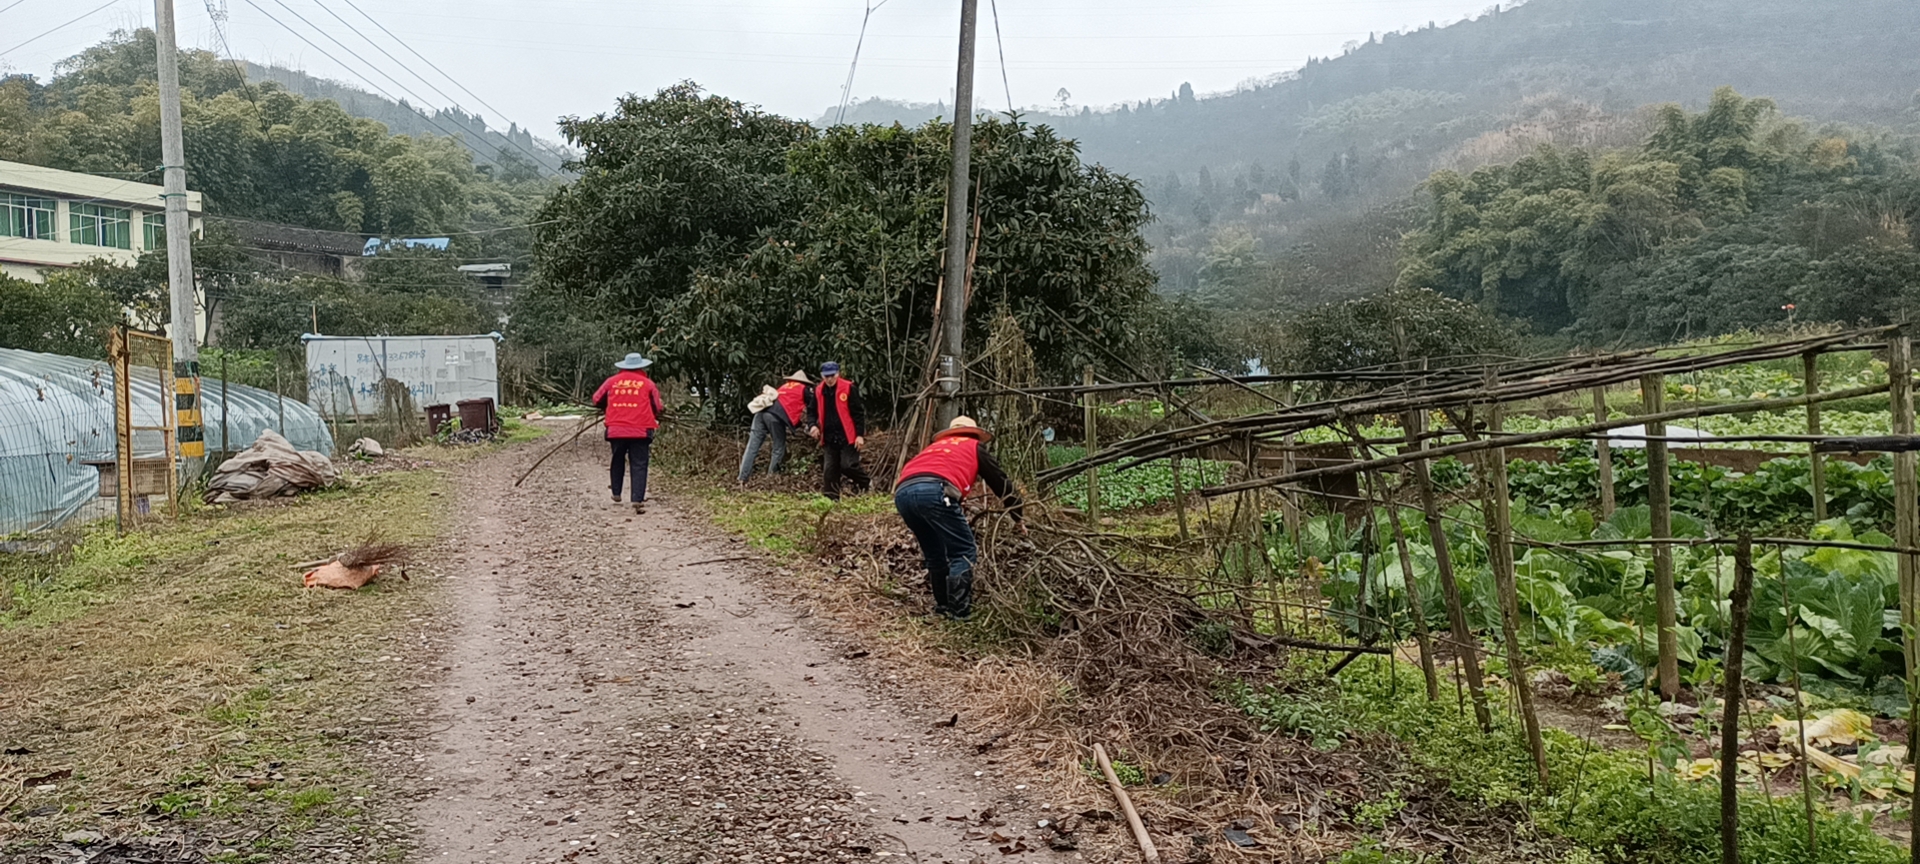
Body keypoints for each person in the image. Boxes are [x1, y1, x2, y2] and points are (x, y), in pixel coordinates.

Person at [893, 417, 1025, 620]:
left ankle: (943, 606)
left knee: (935, 552)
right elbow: (1000, 482)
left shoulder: (935, 447)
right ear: (974, 434)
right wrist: (1018, 515)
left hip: (903, 493)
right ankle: (959, 611)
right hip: (936, 490)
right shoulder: (974, 446)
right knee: (963, 550)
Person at [591, 353, 664, 514]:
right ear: (641, 367)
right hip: (641, 430)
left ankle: (616, 493)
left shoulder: (612, 382)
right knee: (639, 463)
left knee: (617, 458)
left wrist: (609, 406)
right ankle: (637, 498)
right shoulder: (648, 384)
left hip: (616, 429)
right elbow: (658, 407)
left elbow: (596, 399)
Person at [804, 361, 870, 500]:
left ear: (838, 374)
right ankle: (831, 501)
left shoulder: (849, 388)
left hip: (847, 436)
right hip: (828, 437)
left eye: (832, 376)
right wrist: (812, 425)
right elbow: (811, 411)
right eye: (826, 376)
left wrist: (859, 435)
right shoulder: (818, 391)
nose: (829, 379)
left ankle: (866, 483)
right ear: (822, 376)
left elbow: (858, 413)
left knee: (848, 466)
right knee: (829, 472)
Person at [737, 370, 811, 483]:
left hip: (761, 412)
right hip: (775, 416)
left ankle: (742, 478)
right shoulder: (804, 389)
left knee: (752, 446)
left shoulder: (784, 386)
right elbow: (813, 407)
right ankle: (771, 478)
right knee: (778, 447)